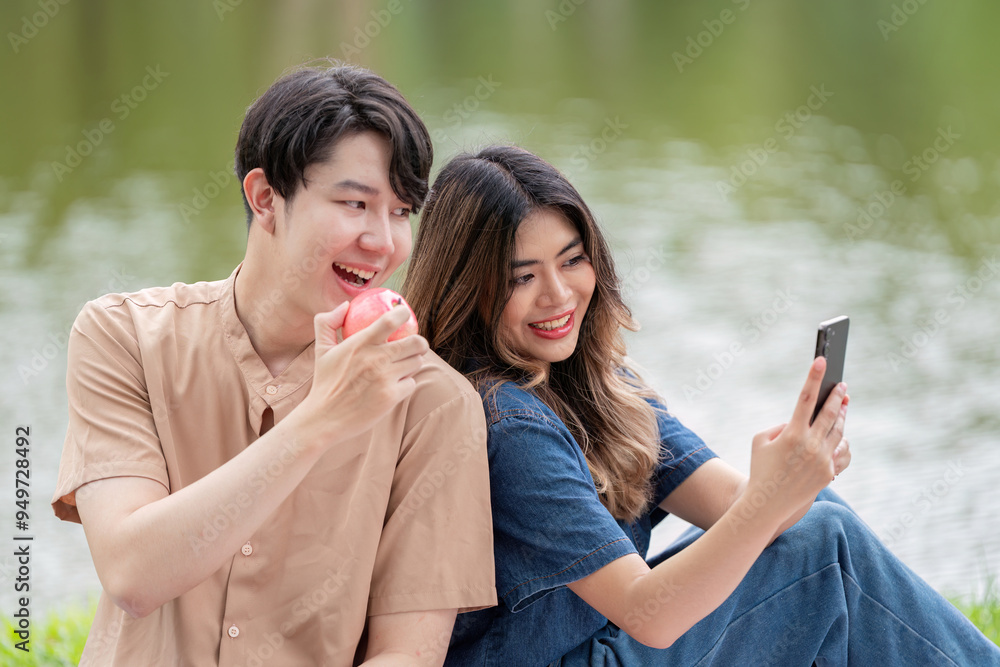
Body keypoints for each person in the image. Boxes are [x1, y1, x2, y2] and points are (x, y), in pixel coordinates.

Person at [401, 145, 1000, 666]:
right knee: (823, 546)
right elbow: (648, 613)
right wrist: (773, 498)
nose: (558, 294)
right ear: (468, 288)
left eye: (573, 259)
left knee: (816, 514)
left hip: (605, 643)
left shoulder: (595, 384)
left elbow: (732, 508)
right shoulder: (507, 422)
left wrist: (790, 476)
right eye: (521, 276)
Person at [51, 63, 497, 666]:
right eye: (355, 203)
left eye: (400, 212)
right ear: (265, 198)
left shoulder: (432, 402)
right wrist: (321, 420)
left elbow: (406, 656)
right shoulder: (124, 335)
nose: (382, 241)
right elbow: (133, 574)